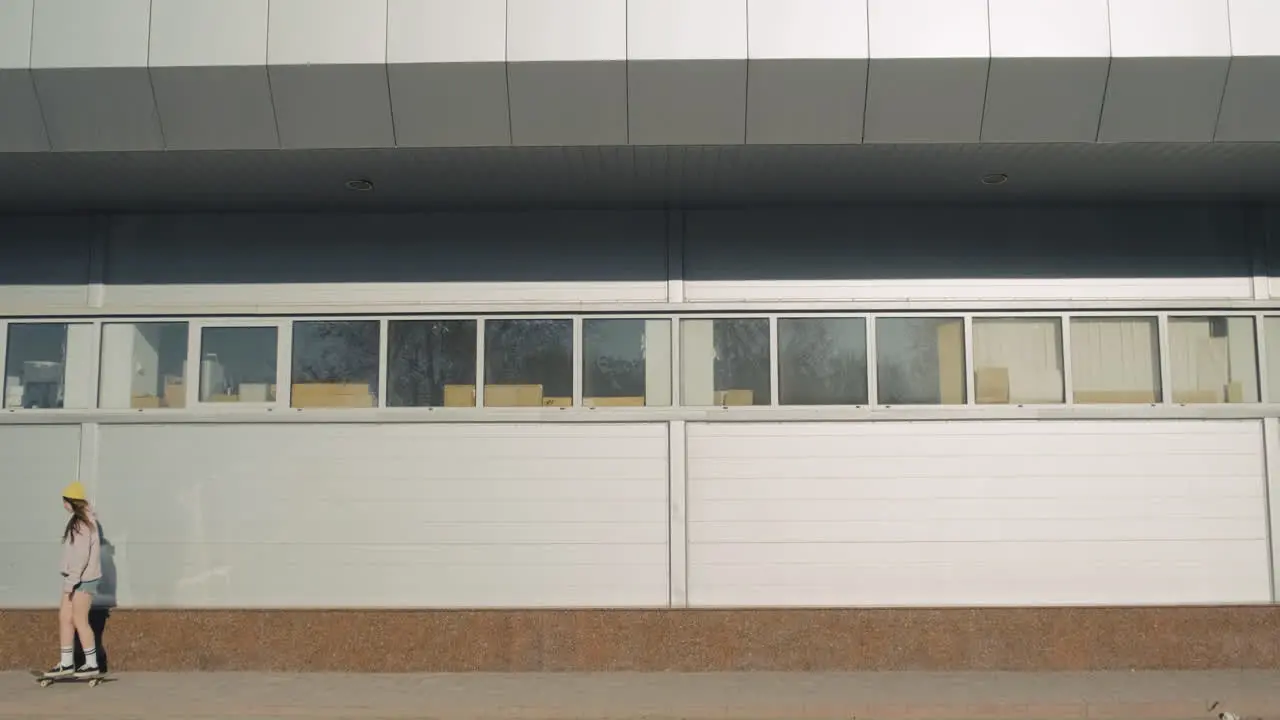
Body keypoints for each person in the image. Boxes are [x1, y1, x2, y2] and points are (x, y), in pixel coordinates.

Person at [46, 481, 103, 677]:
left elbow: (81, 556)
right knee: (65, 618)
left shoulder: (82, 524)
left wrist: (71, 582)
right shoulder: (79, 521)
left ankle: (92, 664)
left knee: (79, 620)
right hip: (75, 578)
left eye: (65, 501)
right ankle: (66, 663)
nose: (63, 505)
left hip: (82, 580)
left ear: (71, 501)